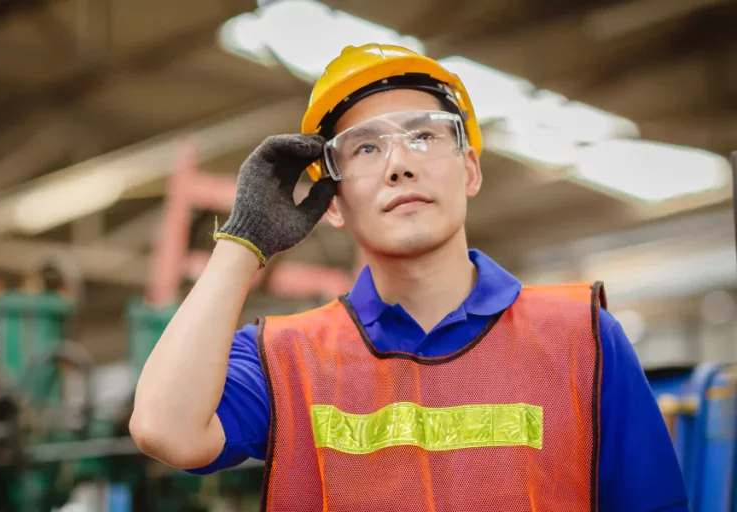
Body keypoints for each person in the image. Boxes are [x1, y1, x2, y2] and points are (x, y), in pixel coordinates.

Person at [129, 43, 687, 511]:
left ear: (469, 169)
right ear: (334, 202)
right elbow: (164, 429)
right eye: (366, 147)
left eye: (425, 136)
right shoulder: (285, 360)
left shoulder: (582, 339)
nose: (400, 163)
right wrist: (243, 241)